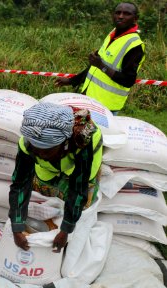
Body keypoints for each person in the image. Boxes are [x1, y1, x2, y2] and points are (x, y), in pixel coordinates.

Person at [9, 102, 103, 252]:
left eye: (46, 151)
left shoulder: (83, 140)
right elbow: (20, 184)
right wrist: (17, 226)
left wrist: (66, 229)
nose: (40, 155)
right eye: (36, 150)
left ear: (64, 144)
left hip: (81, 158)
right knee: (42, 185)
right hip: (57, 160)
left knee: (82, 201)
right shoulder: (28, 144)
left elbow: (78, 188)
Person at [55, 2, 145, 114]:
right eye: (118, 13)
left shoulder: (134, 45)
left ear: (135, 18)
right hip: (88, 100)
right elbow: (94, 67)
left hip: (105, 108)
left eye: (126, 14)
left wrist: (102, 66)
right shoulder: (112, 35)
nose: (121, 16)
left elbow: (128, 80)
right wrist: (71, 80)